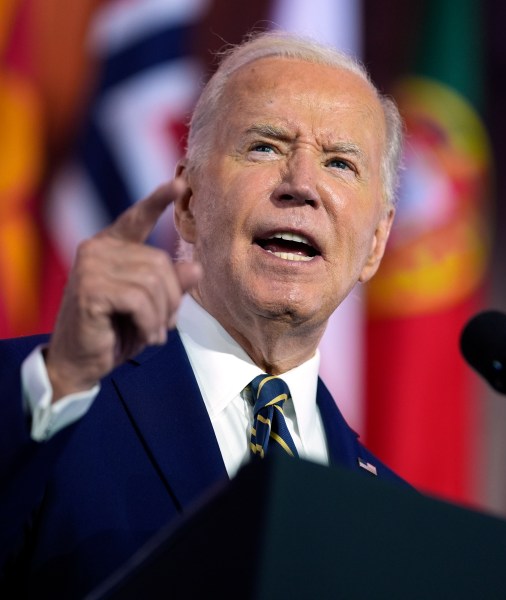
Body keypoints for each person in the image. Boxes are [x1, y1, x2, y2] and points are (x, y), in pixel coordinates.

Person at [0, 31, 412, 598]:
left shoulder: (393, 516)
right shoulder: (40, 397)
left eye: (340, 163)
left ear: (375, 243)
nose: (302, 185)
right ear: (189, 203)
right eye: (265, 147)